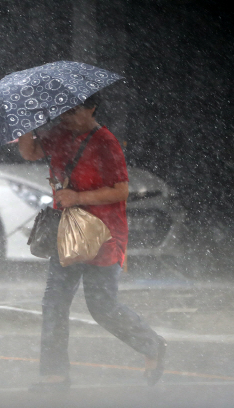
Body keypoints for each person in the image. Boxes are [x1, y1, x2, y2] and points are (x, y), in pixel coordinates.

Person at [17, 94, 167, 392]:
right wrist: (24, 125)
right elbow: (31, 152)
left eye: (73, 112)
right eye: (62, 112)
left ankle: (153, 345)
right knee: (54, 304)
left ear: (91, 109)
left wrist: (79, 197)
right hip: (67, 232)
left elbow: (121, 191)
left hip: (103, 235)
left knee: (103, 307)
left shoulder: (105, 142)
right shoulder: (59, 134)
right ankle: (54, 376)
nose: (66, 118)